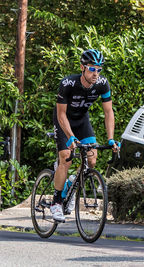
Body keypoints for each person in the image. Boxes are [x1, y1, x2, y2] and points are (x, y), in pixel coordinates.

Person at [51, 49, 120, 222]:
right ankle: (56, 202)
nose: (95, 73)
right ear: (82, 67)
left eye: (99, 69)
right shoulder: (68, 83)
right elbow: (61, 115)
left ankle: (73, 181)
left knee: (92, 159)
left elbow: (109, 112)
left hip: (82, 121)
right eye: (91, 69)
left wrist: (110, 138)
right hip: (64, 120)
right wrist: (70, 136)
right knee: (66, 157)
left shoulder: (102, 84)